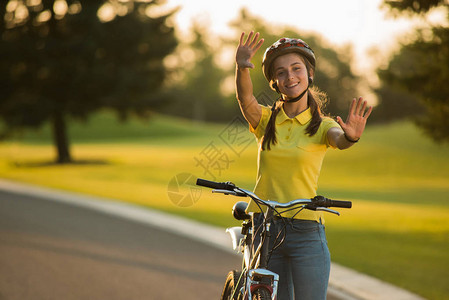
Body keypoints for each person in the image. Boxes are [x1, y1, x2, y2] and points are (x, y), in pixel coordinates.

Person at [235, 31, 372, 300]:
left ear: (310, 74)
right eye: (281, 72)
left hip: (307, 231)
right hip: (266, 227)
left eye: (296, 69)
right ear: (275, 82)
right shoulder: (266, 120)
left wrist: (351, 137)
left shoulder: (323, 125)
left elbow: (339, 140)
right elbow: (245, 99)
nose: (290, 77)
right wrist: (241, 68)